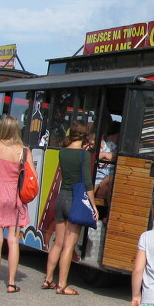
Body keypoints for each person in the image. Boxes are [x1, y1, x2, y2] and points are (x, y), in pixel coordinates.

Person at [41, 121, 96, 295]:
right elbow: (87, 184)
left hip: (61, 197)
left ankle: (48, 278)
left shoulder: (63, 152)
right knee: (68, 246)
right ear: (85, 134)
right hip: (75, 200)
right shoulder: (84, 155)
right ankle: (62, 285)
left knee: (57, 242)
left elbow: (64, 176)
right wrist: (93, 205)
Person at [0, 115, 31, 293]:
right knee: (13, 241)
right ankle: (11, 283)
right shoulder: (24, 150)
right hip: (15, 195)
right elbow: (32, 175)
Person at [93, 119, 120, 216]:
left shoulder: (111, 146)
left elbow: (115, 156)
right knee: (92, 188)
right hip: (99, 174)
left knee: (113, 181)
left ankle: (109, 213)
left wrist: (105, 154)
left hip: (109, 172)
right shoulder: (101, 143)